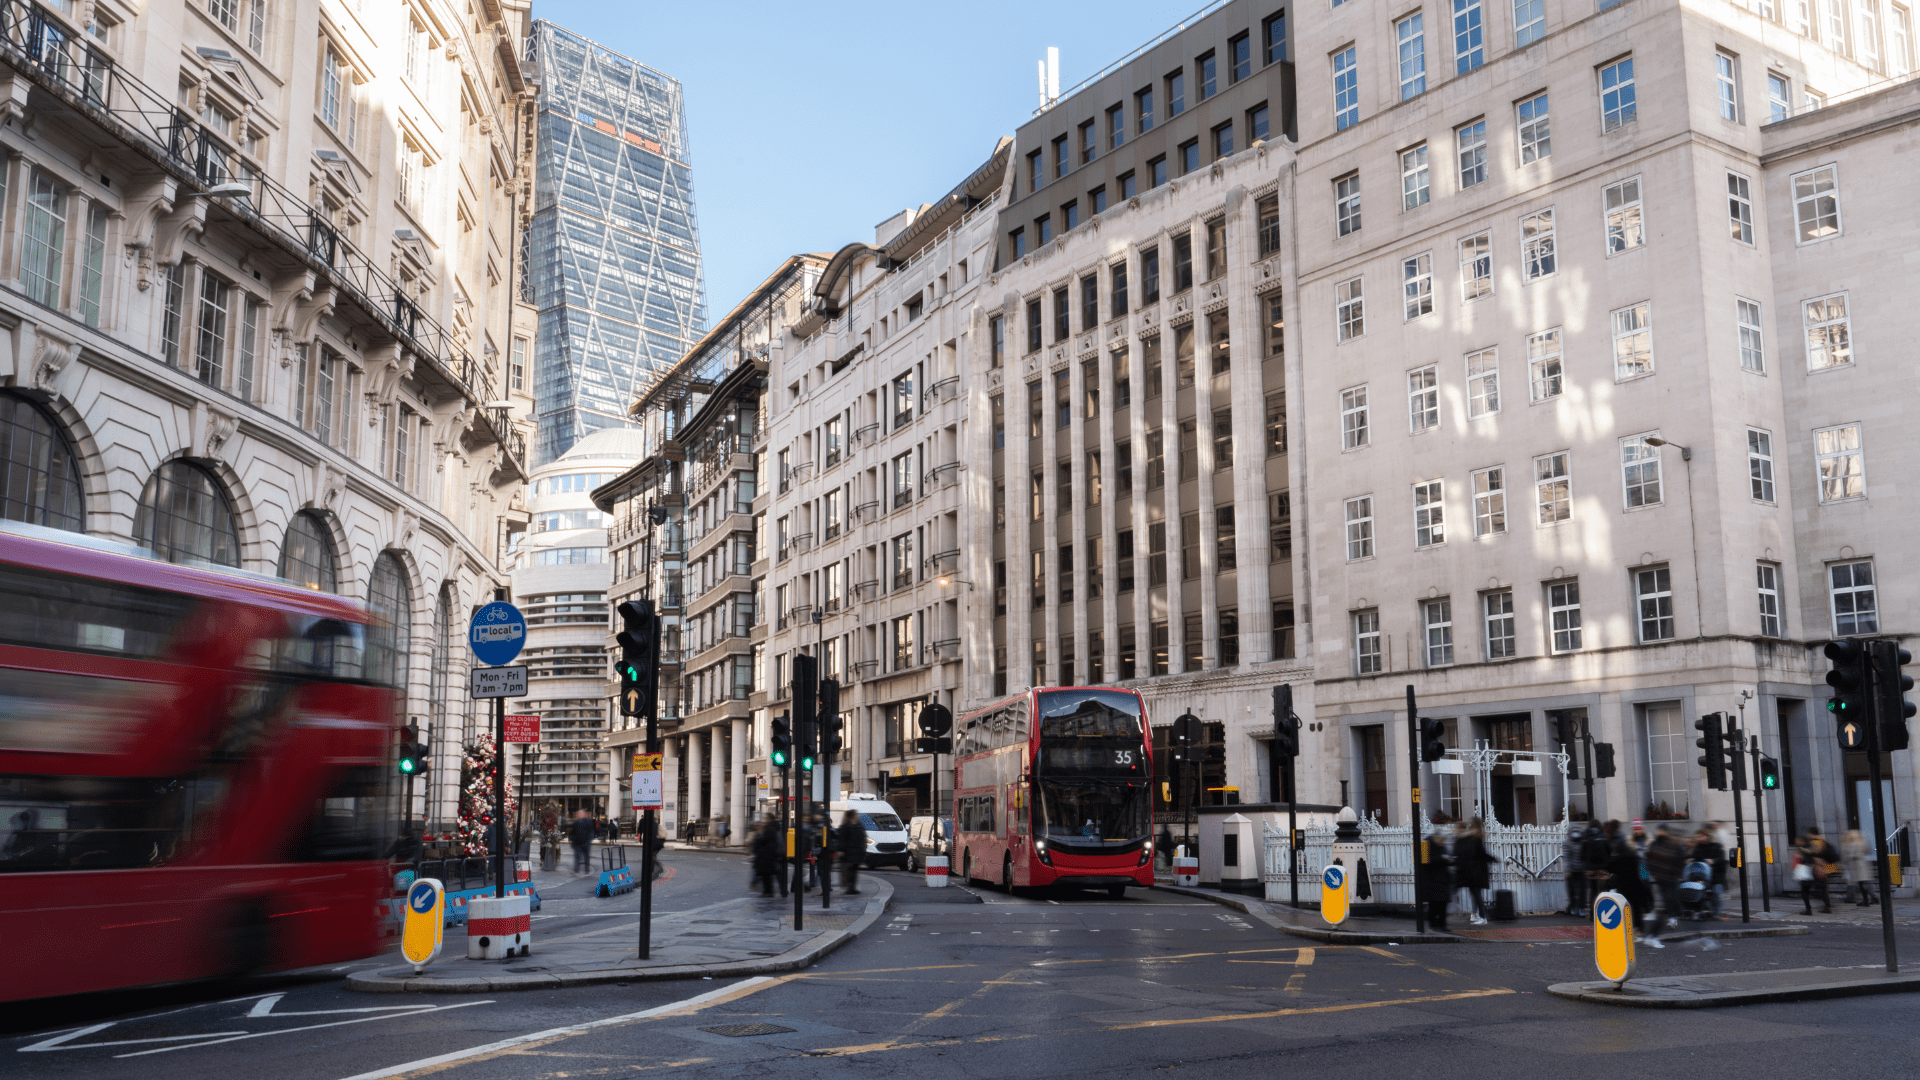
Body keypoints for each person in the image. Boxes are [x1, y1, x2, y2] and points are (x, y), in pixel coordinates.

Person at [1451, 818, 1495, 926]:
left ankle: (1482, 917)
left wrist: (1493, 859)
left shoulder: (1475, 839)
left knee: (1476, 894)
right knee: (1475, 894)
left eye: (1471, 825)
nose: (1469, 827)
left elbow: (1481, 853)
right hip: (1473, 870)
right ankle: (1477, 915)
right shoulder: (1474, 838)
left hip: (1475, 870)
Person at [1644, 826, 1686, 933]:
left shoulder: (1673, 844)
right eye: (1659, 830)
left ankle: (1674, 916)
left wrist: (1677, 873)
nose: (1661, 832)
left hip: (1672, 876)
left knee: (1672, 897)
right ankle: (1673, 917)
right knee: (1667, 898)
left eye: (1663, 830)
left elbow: (1680, 859)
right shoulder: (1654, 844)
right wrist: (1653, 873)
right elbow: (1649, 859)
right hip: (1660, 877)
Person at [1416, 829, 1454, 931]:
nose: (1442, 842)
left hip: (1443, 879)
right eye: (1441, 840)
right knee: (1434, 904)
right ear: (1436, 837)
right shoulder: (1424, 844)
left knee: (1443, 903)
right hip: (1431, 879)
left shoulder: (1441, 845)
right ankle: (1433, 924)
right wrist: (1442, 858)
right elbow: (1424, 861)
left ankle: (1442, 924)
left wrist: (1449, 860)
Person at [1689, 828, 1727, 920]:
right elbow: (1694, 858)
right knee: (1701, 894)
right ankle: (1704, 912)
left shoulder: (1716, 846)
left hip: (1717, 876)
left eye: (1701, 836)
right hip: (1703, 876)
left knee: (1715, 895)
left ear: (1706, 836)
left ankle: (1715, 914)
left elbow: (1721, 859)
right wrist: (1690, 860)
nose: (1699, 838)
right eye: (1698, 837)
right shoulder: (1697, 848)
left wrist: (1713, 861)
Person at [1841, 829, 1876, 906]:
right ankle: (1868, 899)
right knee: (1862, 884)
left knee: (1862, 884)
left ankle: (1866, 901)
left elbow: (1852, 855)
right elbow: (1868, 851)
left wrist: (1846, 858)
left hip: (1858, 866)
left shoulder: (1854, 844)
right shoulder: (1861, 843)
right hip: (1862, 865)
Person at [751, 817, 784, 897]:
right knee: (767, 877)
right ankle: (768, 892)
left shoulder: (767, 832)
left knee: (767, 877)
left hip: (767, 858)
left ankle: (768, 892)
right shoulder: (768, 832)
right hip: (766, 858)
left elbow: (761, 843)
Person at [838, 809, 868, 895]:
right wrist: (842, 850)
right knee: (849, 870)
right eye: (856, 814)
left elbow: (863, 838)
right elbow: (842, 839)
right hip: (849, 852)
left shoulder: (859, 826)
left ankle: (852, 887)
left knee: (854, 870)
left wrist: (864, 849)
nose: (857, 816)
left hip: (858, 852)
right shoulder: (845, 826)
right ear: (853, 816)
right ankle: (849, 887)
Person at [1562, 823, 1587, 917]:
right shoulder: (1567, 843)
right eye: (1574, 831)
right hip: (1571, 869)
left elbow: (1585, 855)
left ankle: (1581, 908)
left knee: (1582, 890)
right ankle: (1573, 906)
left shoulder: (1583, 842)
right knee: (1571, 889)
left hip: (1581, 869)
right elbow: (1567, 857)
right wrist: (1567, 869)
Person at [568, 808, 595, 876]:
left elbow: (591, 832)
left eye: (581, 813)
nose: (579, 815)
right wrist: (572, 841)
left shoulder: (588, 821)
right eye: (578, 814)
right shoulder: (576, 822)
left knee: (586, 858)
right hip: (577, 844)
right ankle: (576, 870)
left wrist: (589, 841)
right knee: (577, 857)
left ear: (584, 814)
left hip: (586, 843)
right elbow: (572, 833)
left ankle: (587, 871)